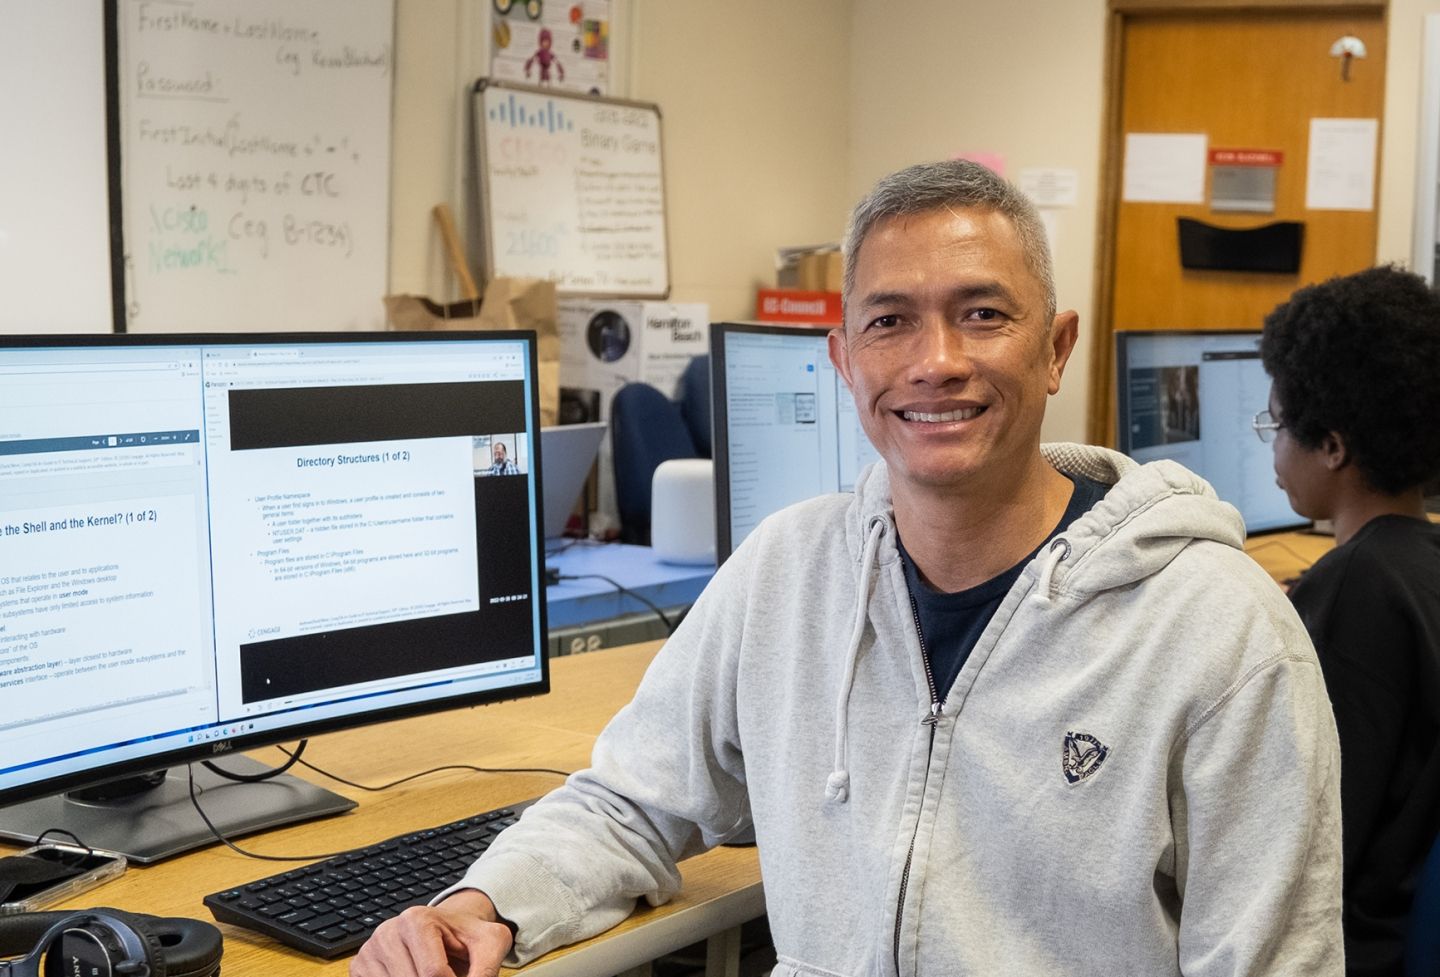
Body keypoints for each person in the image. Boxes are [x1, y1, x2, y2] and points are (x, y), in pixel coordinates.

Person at [353, 160, 1342, 977]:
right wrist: (480, 906)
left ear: (1056, 348)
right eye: (889, 321)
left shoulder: (1220, 630)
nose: (935, 359)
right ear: (843, 359)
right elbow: (632, 802)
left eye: (982, 313)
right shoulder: (785, 572)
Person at [1259, 265, 1440, 977]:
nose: (1274, 446)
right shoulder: (1416, 562)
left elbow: (1297, 840)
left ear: (1333, 447)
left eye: (1277, 424)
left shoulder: (1353, 594)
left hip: (1349, 946)